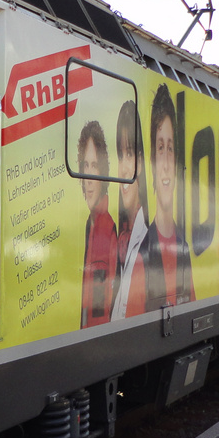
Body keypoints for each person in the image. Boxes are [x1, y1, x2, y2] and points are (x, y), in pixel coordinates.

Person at [142, 84, 193, 310]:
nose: (164, 164)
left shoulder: (184, 248)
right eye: (160, 148)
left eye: (170, 149)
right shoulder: (142, 252)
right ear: (152, 162)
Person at [111, 100, 148, 320]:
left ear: (141, 162)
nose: (123, 168)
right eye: (120, 156)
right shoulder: (123, 240)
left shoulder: (145, 239)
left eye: (130, 154)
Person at [78, 121, 117, 327]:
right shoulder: (89, 225)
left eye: (95, 166)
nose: (89, 178)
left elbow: (101, 312)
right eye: (85, 165)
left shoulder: (106, 230)